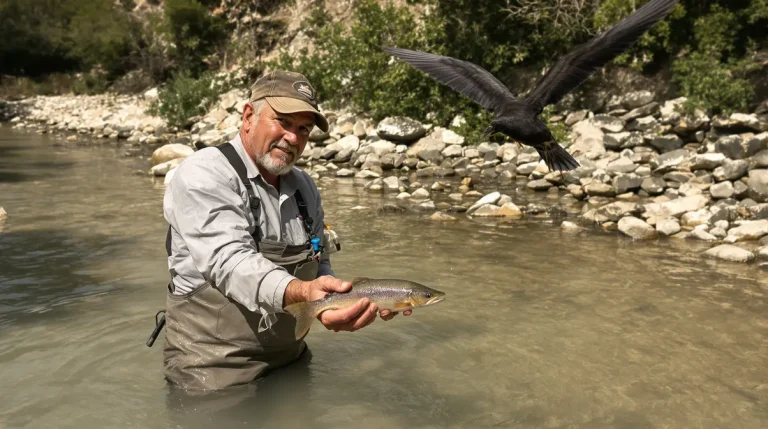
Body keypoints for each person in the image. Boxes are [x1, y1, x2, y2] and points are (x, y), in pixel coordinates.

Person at [158, 70, 409, 391]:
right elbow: (229, 263)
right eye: (283, 122)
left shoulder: (305, 188)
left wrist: (332, 306)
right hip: (211, 367)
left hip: (291, 358)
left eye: (303, 129)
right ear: (248, 116)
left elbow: (320, 261)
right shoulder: (204, 173)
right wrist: (304, 292)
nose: (293, 137)